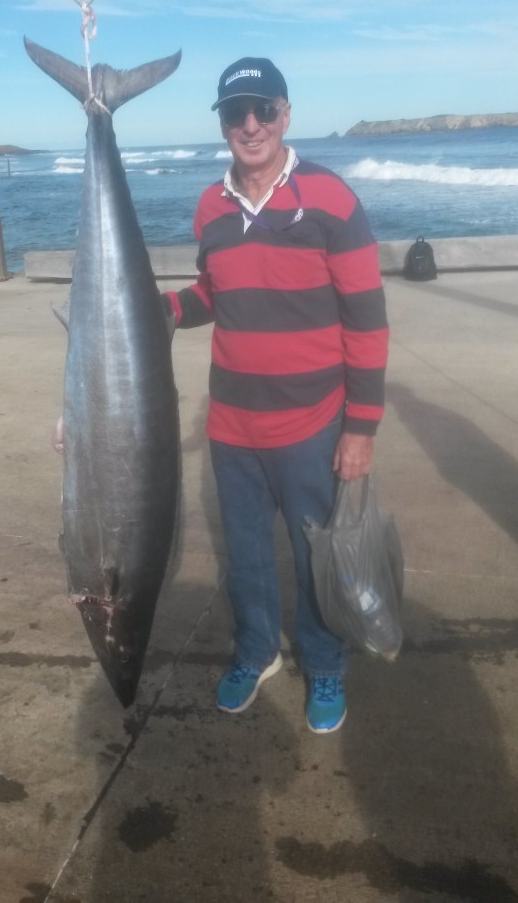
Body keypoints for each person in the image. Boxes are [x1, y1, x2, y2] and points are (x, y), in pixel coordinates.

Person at [164, 56, 389, 733]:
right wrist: (170, 309)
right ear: (224, 124)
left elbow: (368, 320)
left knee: (316, 554)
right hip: (233, 425)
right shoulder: (209, 204)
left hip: (313, 423)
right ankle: (256, 650)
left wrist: (362, 427)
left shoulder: (331, 199)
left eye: (264, 110)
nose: (251, 125)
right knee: (248, 554)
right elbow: (216, 291)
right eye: (237, 113)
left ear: (286, 115)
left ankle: (324, 664)